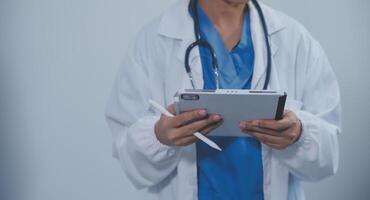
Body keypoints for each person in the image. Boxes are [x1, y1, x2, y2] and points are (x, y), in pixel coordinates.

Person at [105, 0, 341, 199]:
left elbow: (328, 158)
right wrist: (159, 137)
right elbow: (131, 161)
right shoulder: (152, 43)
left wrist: (299, 134)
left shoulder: (296, 40)